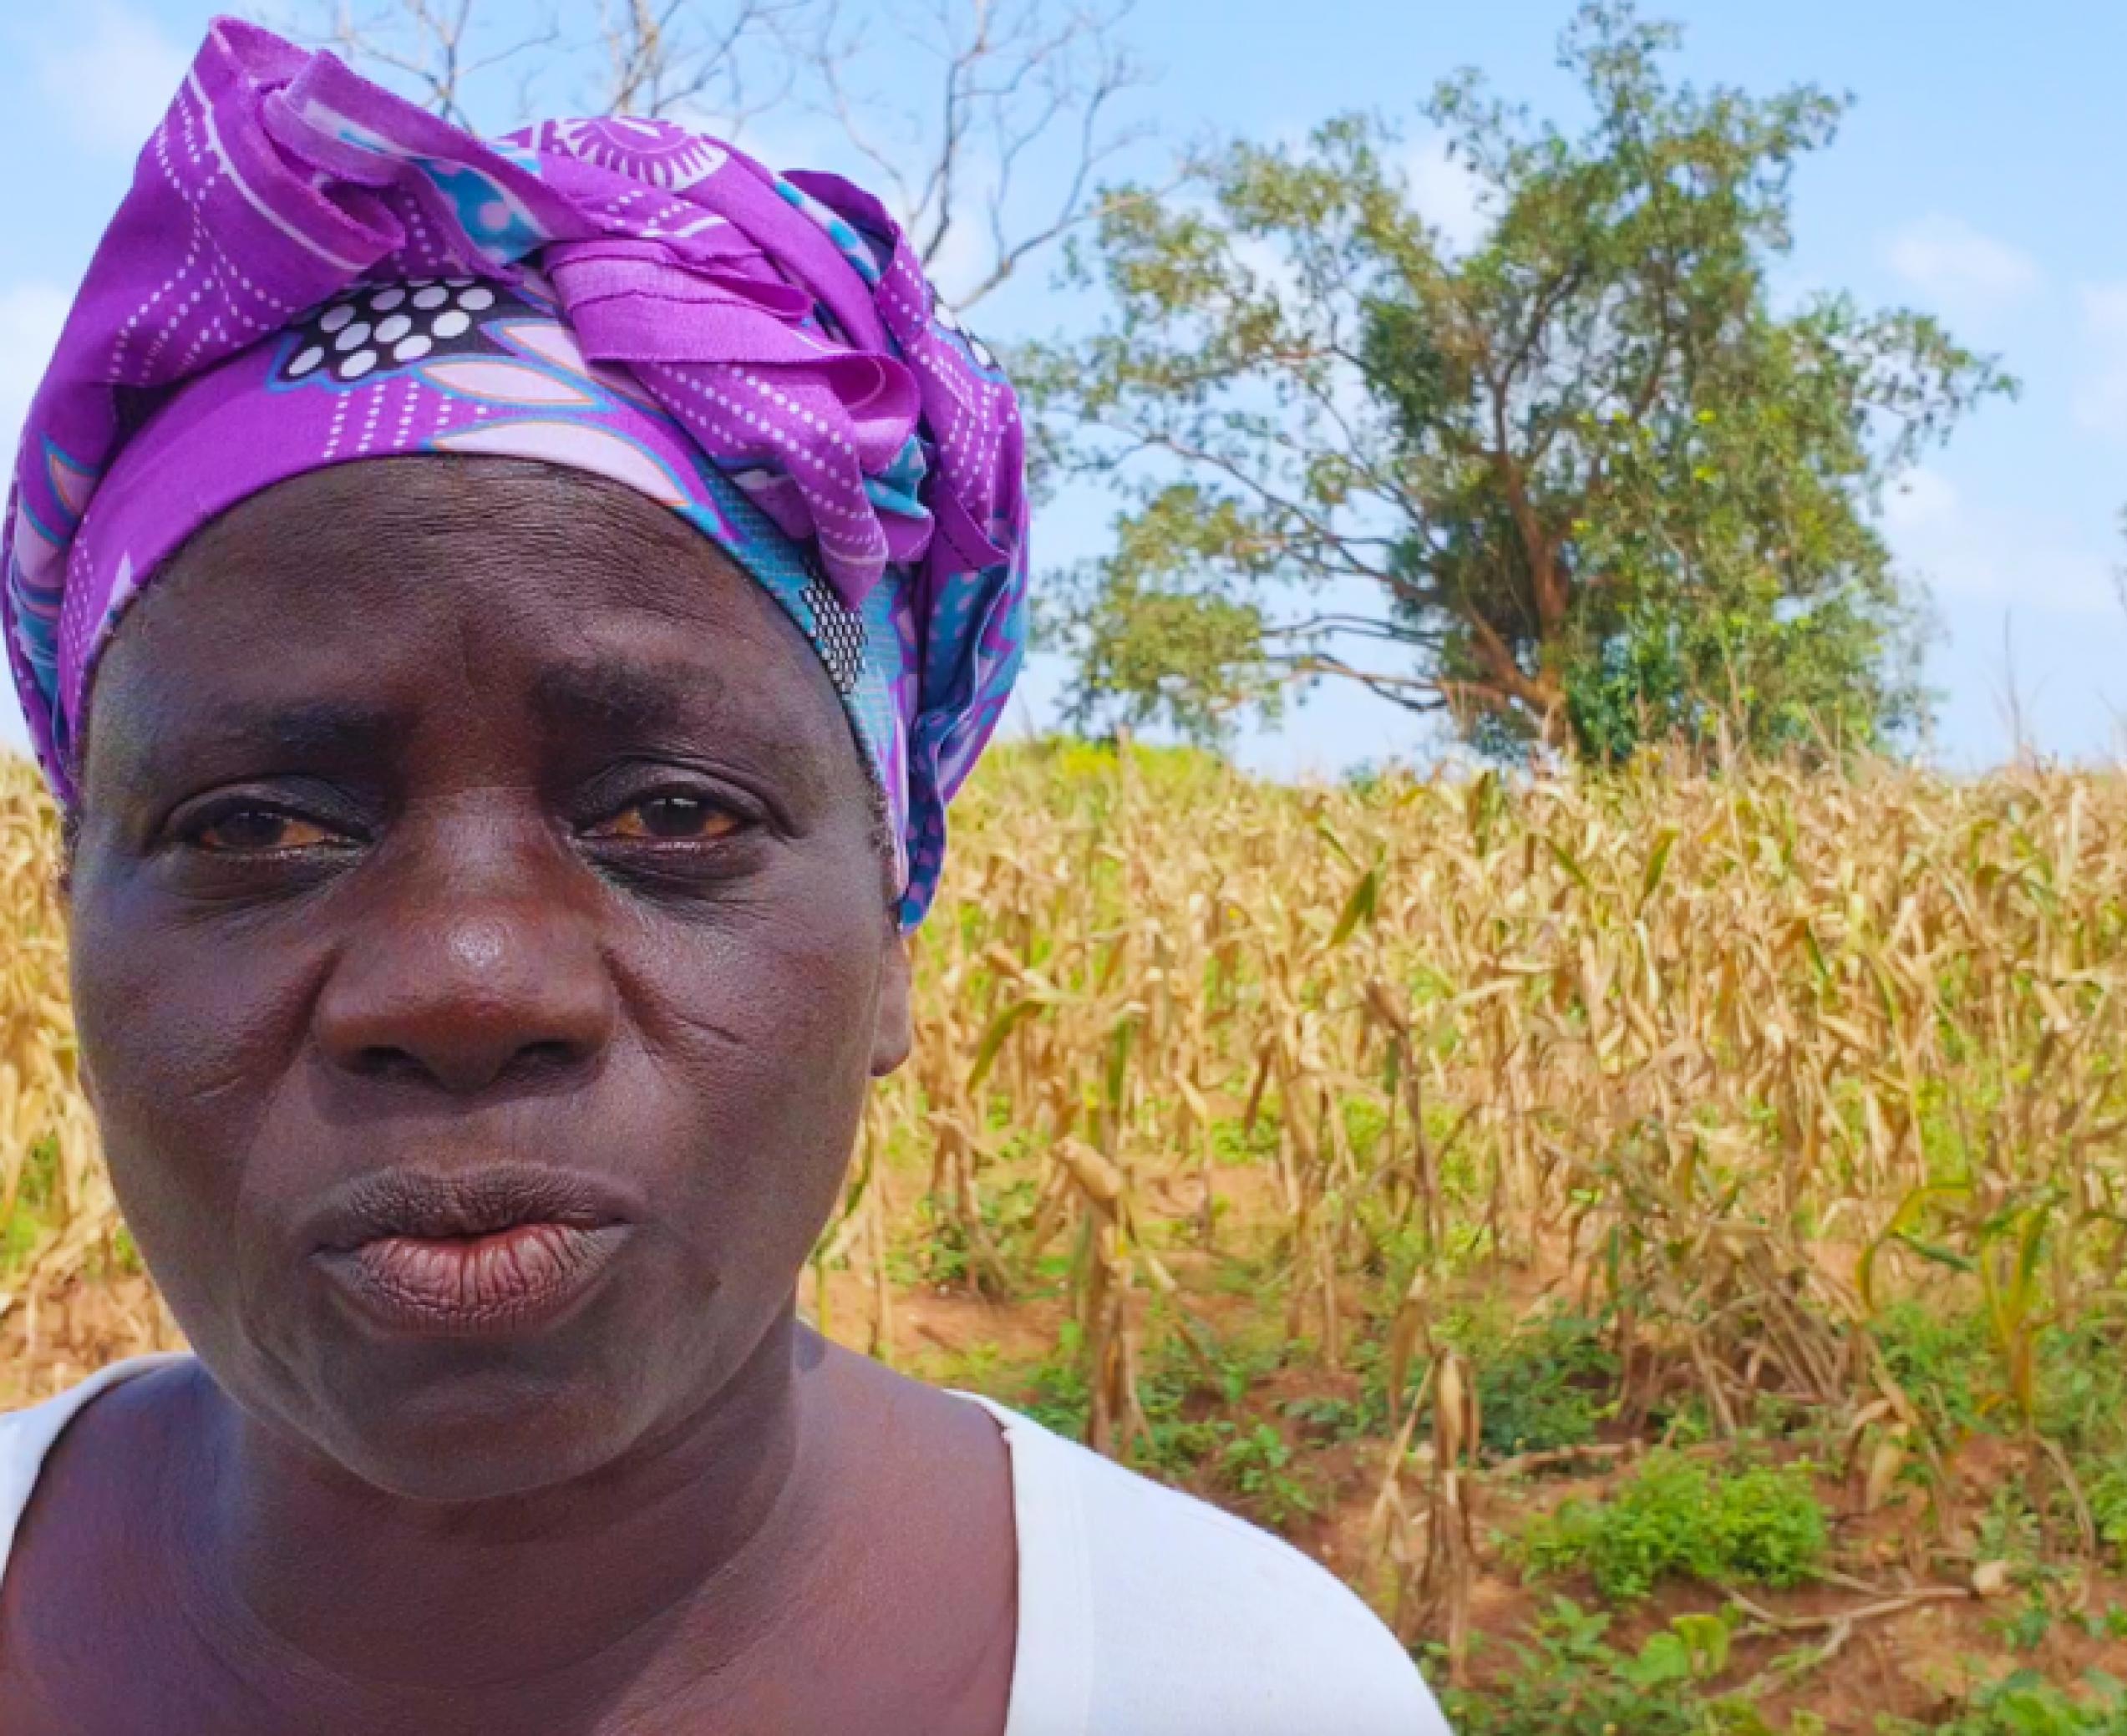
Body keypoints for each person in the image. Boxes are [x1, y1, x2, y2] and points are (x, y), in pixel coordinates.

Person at [0, 19, 1449, 1734]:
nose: (467, 980)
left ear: (896, 924)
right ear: (73, 913)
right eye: (256, 824)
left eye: (674, 815)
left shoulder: (1232, 1691)